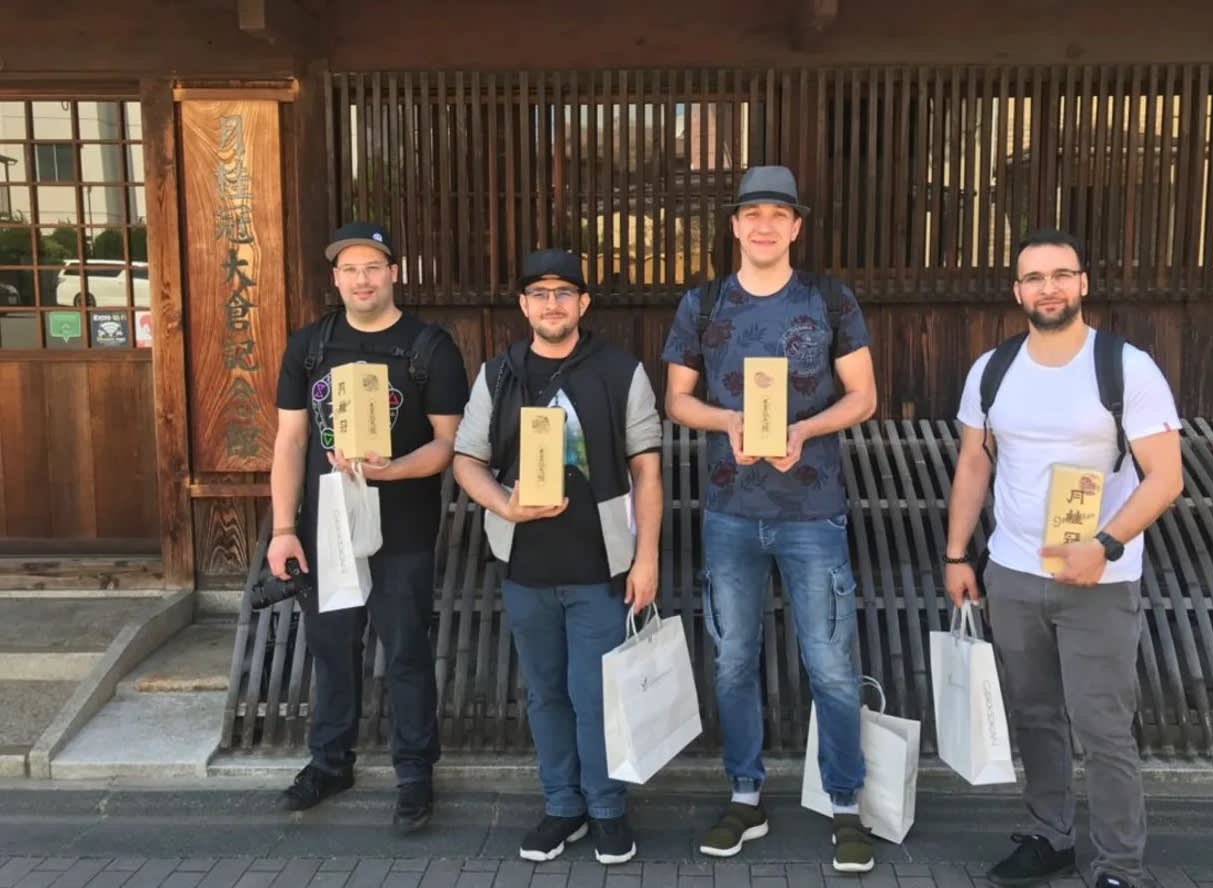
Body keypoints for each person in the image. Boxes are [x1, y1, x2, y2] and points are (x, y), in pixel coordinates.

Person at [944, 228, 1184, 888]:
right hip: (1014, 571)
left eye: (1060, 275)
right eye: (1034, 277)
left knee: (1103, 728)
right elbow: (974, 463)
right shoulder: (993, 370)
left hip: (1099, 579)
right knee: (1035, 716)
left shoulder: (1126, 367)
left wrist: (1103, 546)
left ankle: (1120, 865)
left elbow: (1166, 476)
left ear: (1082, 283)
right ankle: (1050, 835)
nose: (1047, 288)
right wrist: (957, 554)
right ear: (1017, 291)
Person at [660, 165, 879, 874]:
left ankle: (845, 804)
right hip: (729, 510)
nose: (763, 226)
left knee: (831, 664)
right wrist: (726, 420)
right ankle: (745, 794)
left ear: (795, 227)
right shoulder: (703, 303)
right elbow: (676, 400)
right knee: (733, 660)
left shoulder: (828, 299)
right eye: (751, 214)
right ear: (734, 226)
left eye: (777, 215)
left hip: (813, 510)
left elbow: (864, 396)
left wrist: (803, 431)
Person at [451, 248, 663, 866]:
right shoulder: (498, 374)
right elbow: (466, 459)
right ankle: (562, 805)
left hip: (601, 567)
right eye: (539, 293)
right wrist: (503, 504)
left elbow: (647, 472)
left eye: (564, 292)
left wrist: (646, 557)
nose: (552, 304)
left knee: (596, 694)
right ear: (523, 305)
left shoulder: (621, 372)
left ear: (583, 303)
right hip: (525, 565)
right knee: (546, 693)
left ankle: (607, 808)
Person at [267, 221, 468, 833]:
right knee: (332, 647)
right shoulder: (310, 346)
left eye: (373, 267)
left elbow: (449, 444)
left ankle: (415, 771)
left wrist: (393, 470)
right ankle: (331, 761)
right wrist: (283, 529)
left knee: (406, 649)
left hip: (402, 524)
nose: (362, 279)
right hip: (326, 524)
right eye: (350, 269)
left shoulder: (429, 347)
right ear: (336, 277)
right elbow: (290, 440)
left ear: (393, 273)